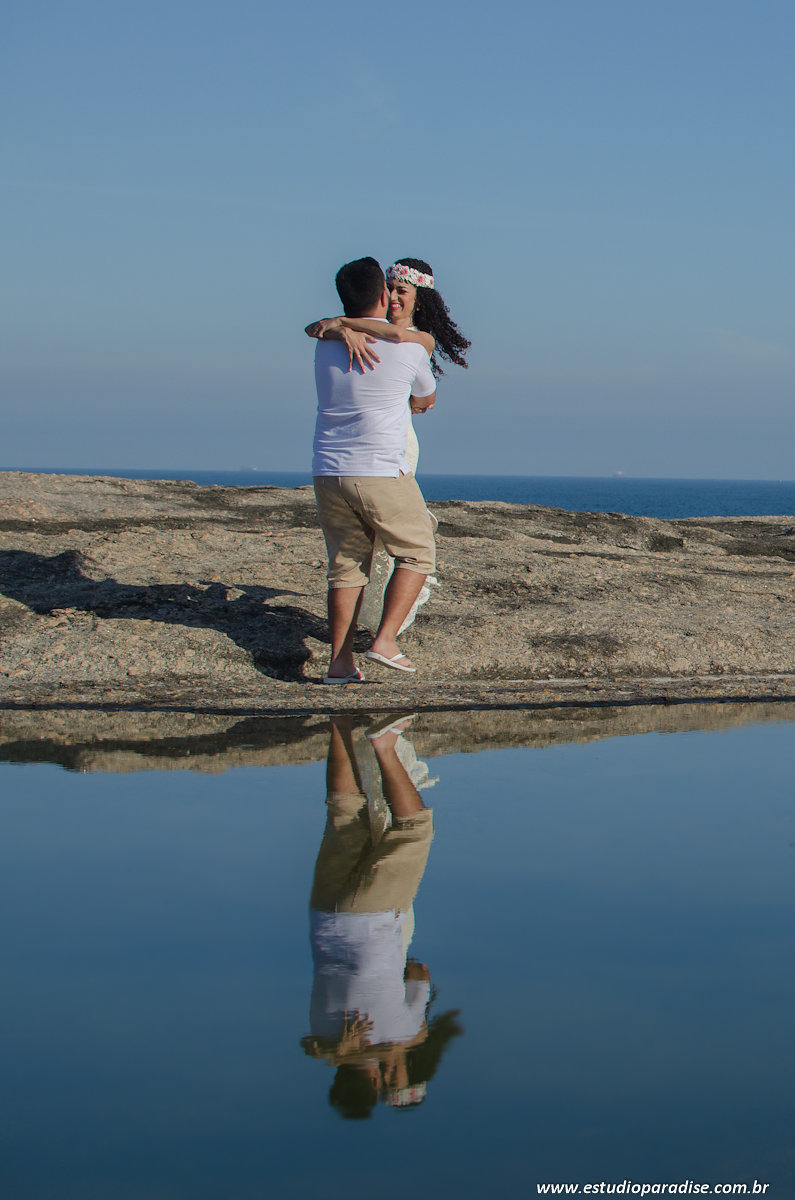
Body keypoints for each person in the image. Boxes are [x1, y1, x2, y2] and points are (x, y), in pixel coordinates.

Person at [300, 714, 463, 1117]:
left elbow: (417, 973)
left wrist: (399, 1063)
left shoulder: (399, 1037)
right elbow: (325, 1047)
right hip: (323, 916)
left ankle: (385, 747)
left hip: (372, 917)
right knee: (345, 815)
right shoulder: (321, 1038)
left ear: (376, 1081)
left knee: (413, 830)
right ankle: (339, 722)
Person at [306, 258, 470, 633]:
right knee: (368, 542)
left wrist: (343, 324)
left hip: (392, 444)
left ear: (419, 300)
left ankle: (386, 626)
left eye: (403, 292)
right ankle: (368, 623)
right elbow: (314, 329)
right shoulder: (349, 332)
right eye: (391, 289)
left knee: (394, 536)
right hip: (366, 449)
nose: (395, 298)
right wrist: (340, 329)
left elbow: (419, 389)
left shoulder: (412, 339)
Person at [311, 257, 437, 681]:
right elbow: (424, 399)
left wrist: (340, 325)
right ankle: (384, 642)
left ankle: (340, 663)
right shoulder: (411, 346)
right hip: (379, 470)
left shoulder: (326, 341)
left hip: (327, 469)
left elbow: (319, 326)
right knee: (418, 551)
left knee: (346, 565)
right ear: (385, 296)